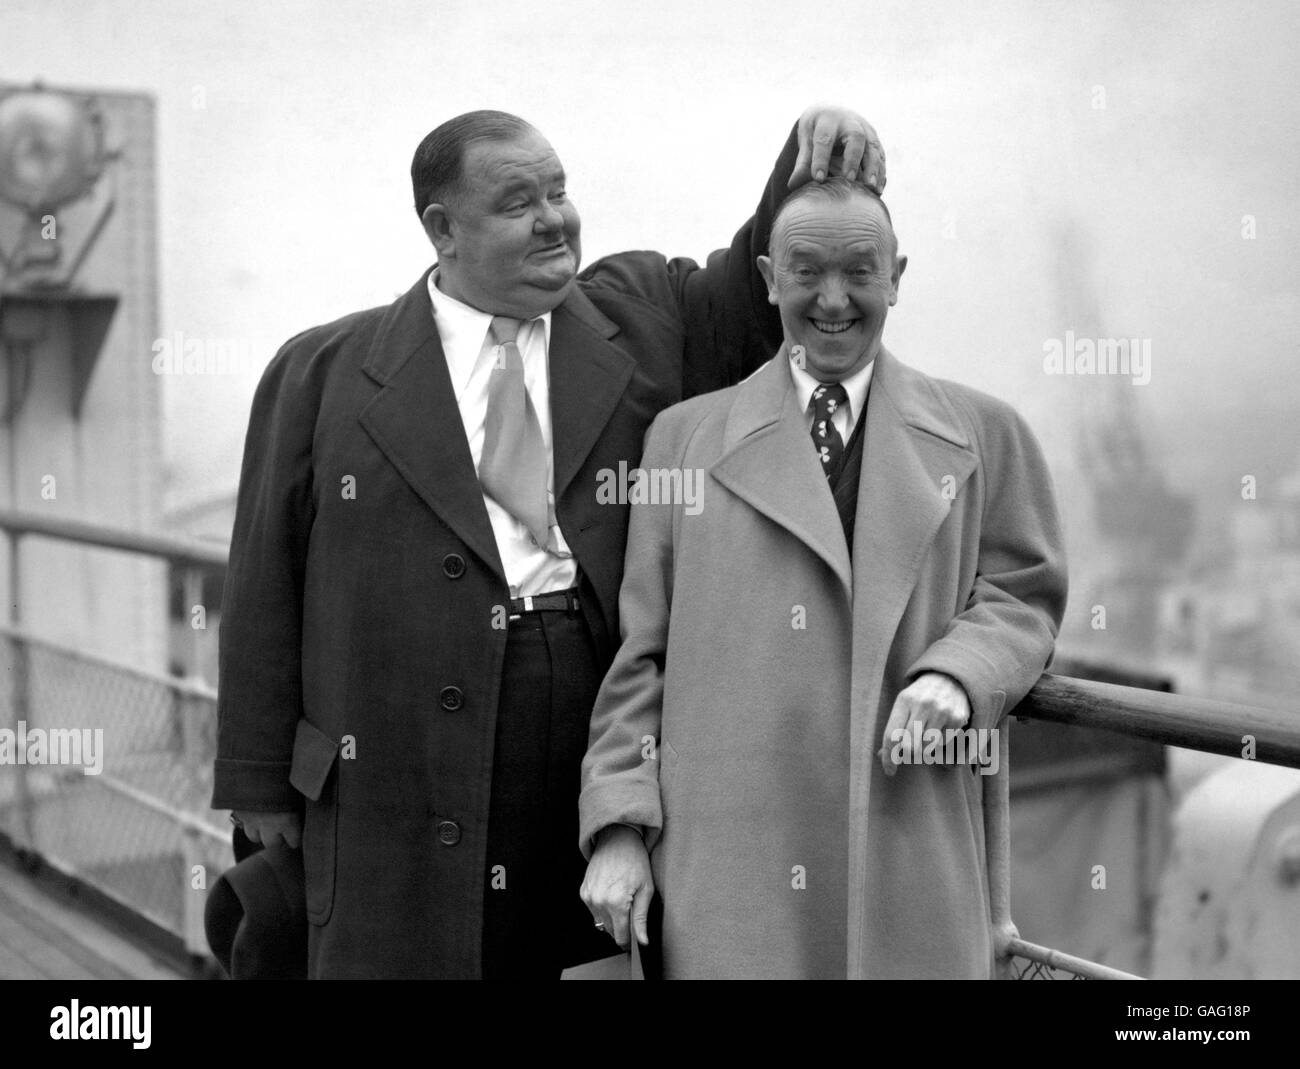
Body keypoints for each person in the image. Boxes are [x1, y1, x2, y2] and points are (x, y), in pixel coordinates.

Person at [211, 107, 886, 979]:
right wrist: (259, 779)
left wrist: (802, 157)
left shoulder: (641, 316)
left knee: (576, 949)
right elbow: (263, 584)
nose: (554, 218)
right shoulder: (322, 371)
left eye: (560, 192)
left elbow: (744, 302)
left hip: (586, 719)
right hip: (391, 754)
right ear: (442, 229)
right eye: (519, 201)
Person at [578, 178, 1068, 979]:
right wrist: (620, 824)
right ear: (769, 278)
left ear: (897, 277)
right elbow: (643, 659)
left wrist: (962, 672)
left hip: (912, 852)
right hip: (730, 874)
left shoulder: (987, 434)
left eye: (860, 272)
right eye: (807, 271)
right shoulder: (681, 440)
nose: (833, 299)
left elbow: (1025, 593)